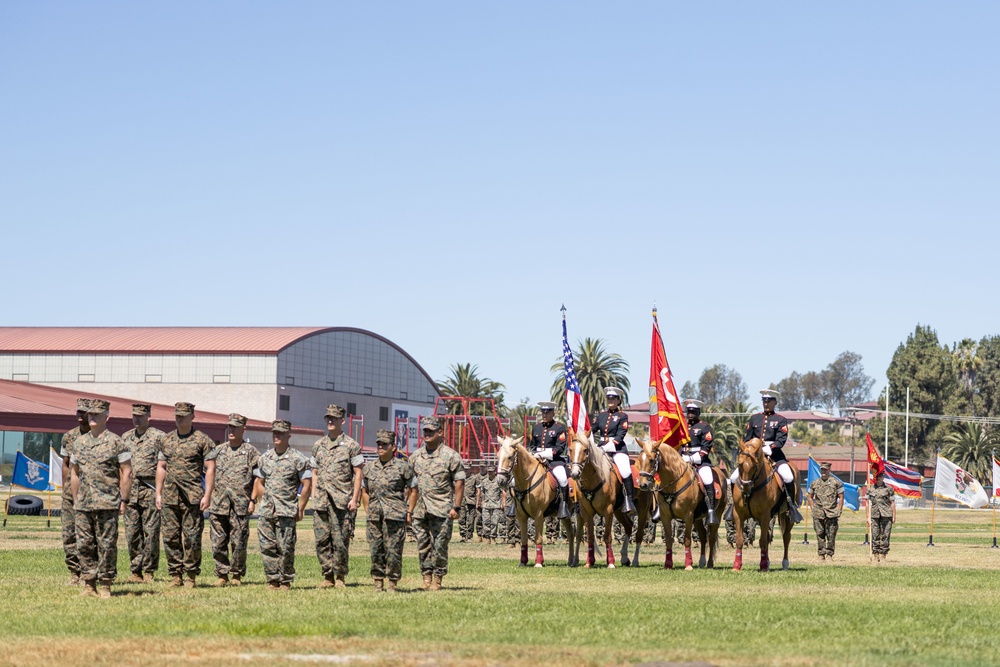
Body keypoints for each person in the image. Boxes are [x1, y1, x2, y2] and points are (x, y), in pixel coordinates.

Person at [70, 400, 131, 598]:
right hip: (84, 503)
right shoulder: (79, 443)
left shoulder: (117, 442)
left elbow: (126, 472)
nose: (92, 417)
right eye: (90, 414)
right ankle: (89, 584)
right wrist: (75, 499)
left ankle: (105, 584)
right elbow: (74, 473)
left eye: (97, 414)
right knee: (84, 544)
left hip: (108, 502)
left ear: (107, 417)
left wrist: (124, 500)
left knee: (107, 545)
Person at [155, 402, 217, 588]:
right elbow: (161, 467)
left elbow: (210, 468)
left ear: (192, 417)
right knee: (170, 537)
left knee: (191, 537)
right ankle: (176, 575)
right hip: (170, 496)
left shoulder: (202, 440)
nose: (180, 418)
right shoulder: (166, 440)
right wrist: (158, 493)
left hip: (192, 497)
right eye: (177, 415)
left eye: (183, 415)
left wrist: (207, 495)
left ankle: (190, 575)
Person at [252, 419, 312, 590]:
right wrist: (263, 501)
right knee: (267, 546)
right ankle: (272, 580)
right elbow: (259, 482)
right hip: (267, 511)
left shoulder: (298, 459)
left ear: (288, 435)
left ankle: (285, 580)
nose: (276, 435)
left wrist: (301, 508)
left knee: (286, 547)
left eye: (280, 433)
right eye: (274, 433)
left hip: (286, 510)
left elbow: (306, 485)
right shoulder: (265, 458)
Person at [407, 416, 465, 591]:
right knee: (422, 545)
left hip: (441, 508)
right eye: (425, 430)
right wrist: (408, 509)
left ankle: (438, 579)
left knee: (439, 545)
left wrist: (456, 507)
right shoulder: (415, 456)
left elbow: (460, 482)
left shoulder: (451, 456)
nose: (427, 433)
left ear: (440, 432)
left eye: (431, 431)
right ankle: (426, 578)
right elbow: (410, 485)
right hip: (420, 509)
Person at [310, 404, 364, 588]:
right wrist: (314, 496)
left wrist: (355, 499)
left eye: (334, 418)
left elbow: (358, 473)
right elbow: (315, 473)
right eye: (328, 418)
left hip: (342, 501)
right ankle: (328, 576)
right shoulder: (318, 445)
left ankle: (340, 576)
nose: (330, 421)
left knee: (340, 540)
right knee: (322, 540)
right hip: (321, 501)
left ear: (343, 421)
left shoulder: (351, 445)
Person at [209, 413, 261, 587]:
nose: (231, 430)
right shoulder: (218, 450)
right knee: (218, 541)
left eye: (235, 427)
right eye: (230, 426)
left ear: (243, 429)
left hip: (240, 504)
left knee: (239, 542)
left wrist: (253, 500)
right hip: (219, 503)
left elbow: (257, 479)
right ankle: (222, 574)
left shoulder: (251, 452)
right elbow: (209, 474)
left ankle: (237, 574)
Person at [737, 389, 802, 523]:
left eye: (769, 401)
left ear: (775, 402)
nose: (766, 403)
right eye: (764, 401)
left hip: (775, 456)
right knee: (734, 477)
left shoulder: (781, 420)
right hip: (754, 455)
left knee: (788, 476)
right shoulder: (754, 418)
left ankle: (791, 507)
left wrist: (769, 448)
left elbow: (781, 440)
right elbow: (748, 438)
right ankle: (735, 505)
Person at [362, 429, 413, 592]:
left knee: (394, 551)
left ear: (393, 447)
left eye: (384, 444)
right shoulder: (369, 468)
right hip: (374, 517)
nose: (380, 447)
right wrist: (367, 508)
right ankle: (378, 582)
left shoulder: (403, 467)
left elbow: (414, 490)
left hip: (395, 516)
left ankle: (392, 583)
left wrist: (409, 511)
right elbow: (365, 490)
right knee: (376, 549)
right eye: (379, 444)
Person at [122, 403, 166, 583]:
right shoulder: (126, 437)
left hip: (150, 489)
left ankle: (148, 570)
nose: (137, 419)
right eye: (134, 415)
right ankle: (136, 571)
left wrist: (160, 492)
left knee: (151, 532)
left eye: (140, 416)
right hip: (131, 489)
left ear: (149, 416)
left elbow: (164, 466)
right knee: (132, 533)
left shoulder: (159, 437)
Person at [59, 397, 91, 585]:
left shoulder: (98, 437)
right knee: (69, 534)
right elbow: (65, 464)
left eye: (84, 412)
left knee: (89, 536)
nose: (80, 414)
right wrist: (66, 487)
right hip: (70, 495)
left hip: (91, 494)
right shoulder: (69, 436)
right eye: (78, 411)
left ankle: (90, 572)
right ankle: (75, 573)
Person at [592, 387, 636, 514]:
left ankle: (629, 500)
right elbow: (591, 430)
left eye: (613, 399)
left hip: (617, 449)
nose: (610, 401)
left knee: (625, 470)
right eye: (608, 398)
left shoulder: (622, 416)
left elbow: (620, 436)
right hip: (601, 447)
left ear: (618, 401)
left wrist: (606, 447)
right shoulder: (601, 416)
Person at [528, 401, 571, 519]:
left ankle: (563, 505)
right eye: (543, 412)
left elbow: (560, 448)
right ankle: (516, 504)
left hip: (554, 461)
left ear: (553, 413)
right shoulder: (536, 428)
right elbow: (531, 446)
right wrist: (533, 454)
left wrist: (544, 454)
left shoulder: (559, 428)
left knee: (562, 478)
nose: (544, 415)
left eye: (547, 412)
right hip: (536, 460)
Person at [679, 399, 717, 525]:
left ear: (698, 412)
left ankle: (711, 510)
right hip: (681, 460)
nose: (690, 414)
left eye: (693, 411)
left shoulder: (704, 427)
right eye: (689, 411)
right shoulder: (681, 426)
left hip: (700, 462)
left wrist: (691, 458)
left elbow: (706, 448)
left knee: (707, 478)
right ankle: (660, 507)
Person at [808, 461, 844, 561]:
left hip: (831, 513)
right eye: (822, 469)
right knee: (820, 534)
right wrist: (813, 508)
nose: (823, 471)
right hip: (818, 513)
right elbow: (810, 497)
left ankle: (829, 554)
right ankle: (821, 554)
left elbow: (841, 497)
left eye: (825, 469)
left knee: (831, 535)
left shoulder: (836, 483)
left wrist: (839, 510)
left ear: (829, 470)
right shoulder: (814, 483)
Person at [867, 465, 896, 562]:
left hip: (886, 514)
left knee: (885, 535)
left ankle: (883, 554)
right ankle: (875, 554)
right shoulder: (870, 488)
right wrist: (868, 517)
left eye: (880, 476)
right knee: (875, 535)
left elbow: (892, 503)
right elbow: (867, 503)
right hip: (874, 515)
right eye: (876, 476)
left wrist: (894, 516)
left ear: (883, 477)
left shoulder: (889, 489)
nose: (878, 477)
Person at [478, 465, 503, 544]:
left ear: (495, 472)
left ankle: (493, 537)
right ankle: (487, 537)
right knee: (486, 522)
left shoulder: (498, 481)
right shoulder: (484, 481)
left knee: (494, 522)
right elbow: (482, 492)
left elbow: (502, 492)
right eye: (489, 472)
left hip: (496, 504)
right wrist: (482, 501)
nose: (490, 473)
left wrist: (502, 502)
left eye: (491, 472)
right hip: (486, 504)